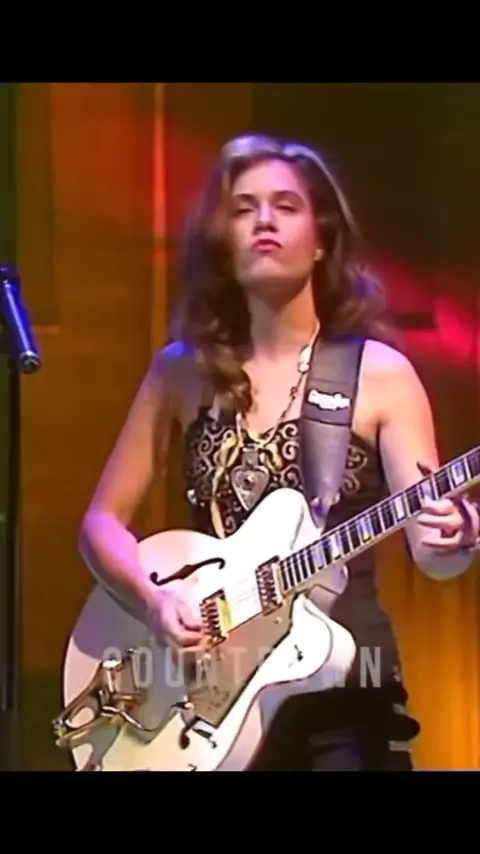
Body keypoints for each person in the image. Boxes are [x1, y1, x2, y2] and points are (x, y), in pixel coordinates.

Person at [79, 132, 480, 771]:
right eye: (244, 208)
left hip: (340, 694)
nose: (264, 220)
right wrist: (154, 603)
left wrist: (455, 538)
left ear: (321, 240)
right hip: (206, 697)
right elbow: (101, 524)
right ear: (222, 239)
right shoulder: (180, 373)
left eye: (286, 206)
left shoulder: (381, 375)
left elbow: (433, 554)